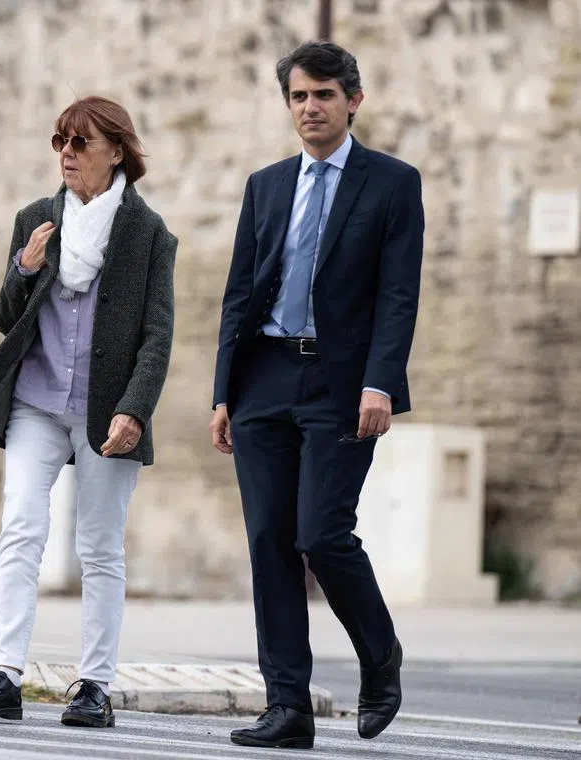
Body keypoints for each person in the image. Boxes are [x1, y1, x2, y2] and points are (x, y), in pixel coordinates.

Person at [210, 41, 423, 749]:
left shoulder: (392, 183)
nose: (310, 108)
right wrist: (223, 393)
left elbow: (398, 295)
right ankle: (287, 708)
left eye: (324, 95)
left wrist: (380, 382)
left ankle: (380, 653)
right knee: (270, 541)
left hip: (341, 384)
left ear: (353, 100)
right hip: (263, 379)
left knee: (321, 534)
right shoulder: (266, 185)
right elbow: (239, 293)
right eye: (299, 96)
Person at [0, 96, 176, 729]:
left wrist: (135, 409)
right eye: (60, 142)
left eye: (80, 143)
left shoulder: (149, 233)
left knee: (100, 547)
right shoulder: (36, 219)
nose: (68, 155)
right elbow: (5, 318)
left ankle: (94, 687)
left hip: (107, 415)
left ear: (116, 150)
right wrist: (24, 268)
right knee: (22, 528)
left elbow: (158, 335)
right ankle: (3, 675)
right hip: (35, 403)